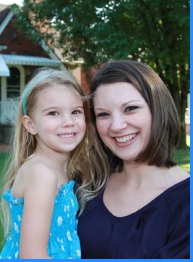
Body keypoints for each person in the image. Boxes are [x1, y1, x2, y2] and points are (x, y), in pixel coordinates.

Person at [77, 60, 189, 258]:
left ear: (157, 109)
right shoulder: (87, 183)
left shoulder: (186, 205)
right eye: (103, 114)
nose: (116, 126)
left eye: (130, 109)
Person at [0, 68, 95, 259]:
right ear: (30, 125)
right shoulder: (42, 174)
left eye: (76, 111)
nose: (68, 121)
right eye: (53, 113)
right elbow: (32, 256)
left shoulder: (58, 169)